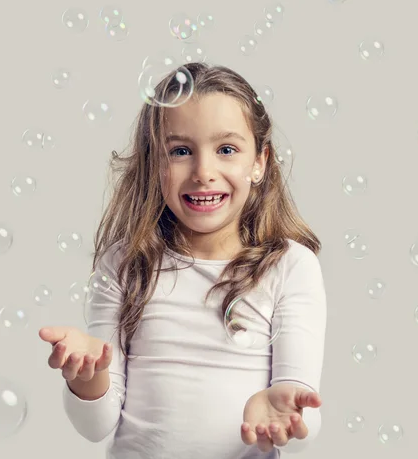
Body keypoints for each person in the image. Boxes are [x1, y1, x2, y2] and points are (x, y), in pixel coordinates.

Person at [39, 61, 327, 458]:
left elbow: (305, 417)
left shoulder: (289, 266)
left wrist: (285, 409)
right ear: (153, 162)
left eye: (226, 149)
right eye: (179, 151)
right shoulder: (125, 263)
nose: (203, 172)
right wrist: (88, 375)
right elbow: (95, 426)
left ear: (260, 161)